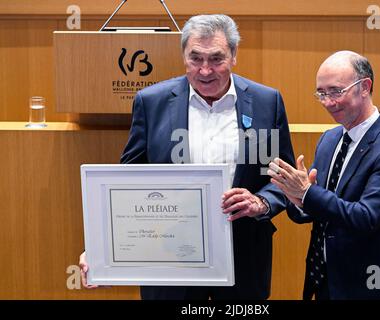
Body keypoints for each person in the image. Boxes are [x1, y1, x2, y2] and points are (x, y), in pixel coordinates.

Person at [79, 14, 294, 300]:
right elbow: (127, 185)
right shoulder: (151, 102)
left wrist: (261, 202)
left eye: (216, 59)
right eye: (196, 59)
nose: (205, 71)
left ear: (234, 55)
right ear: (184, 56)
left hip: (243, 258)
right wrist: (100, 248)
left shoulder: (266, 102)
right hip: (167, 260)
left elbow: (282, 178)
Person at [268, 51, 380, 300]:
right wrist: (297, 198)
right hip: (325, 282)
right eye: (321, 93)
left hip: (370, 285)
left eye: (336, 91)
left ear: (365, 87)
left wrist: (306, 193)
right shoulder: (330, 139)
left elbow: (366, 218)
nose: (328, 102)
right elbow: (318, 206)